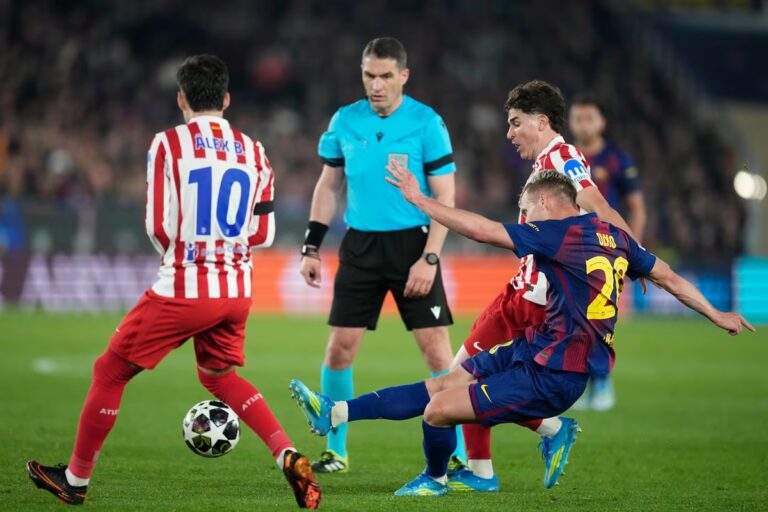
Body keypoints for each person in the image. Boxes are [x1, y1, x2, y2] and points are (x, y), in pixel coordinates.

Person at [290, 169, 754, 497]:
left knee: (437, 411)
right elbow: (669, 276)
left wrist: (419, 199)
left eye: (527, 207)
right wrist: (717, 314)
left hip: (557, 373)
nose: (525, 216)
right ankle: (336, 414)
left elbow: (483, 230)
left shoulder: (557, 233)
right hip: (540, 349)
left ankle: (434, 479)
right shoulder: (616, 237)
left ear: (550, 202)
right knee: (444, 382)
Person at [25, 55, 321, 509]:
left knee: (110, 371)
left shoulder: (168, 144)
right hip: (237, 289)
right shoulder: (255, 151)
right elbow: (264, 234)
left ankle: (75, 479)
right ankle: (287, 453)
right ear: (226, 98)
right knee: (220, 377)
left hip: (186, 284)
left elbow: (157, 225)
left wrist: (184, 259)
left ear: (181, 98)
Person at [450, 80, 643, 492]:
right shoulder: (544, 163)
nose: (509, 133)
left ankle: (482, 469)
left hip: (538, 301)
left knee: (462, 379)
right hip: (517, 291)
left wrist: (634, 257)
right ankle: (534, 440)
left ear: (540, 122)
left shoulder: (564, 156)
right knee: (460, 376)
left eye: (515, 123)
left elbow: (600, 206)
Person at [298, 37, 464, 473]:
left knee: (437, 355)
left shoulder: (426, 123)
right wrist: (312, 245)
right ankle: (336, 449)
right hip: (361, 246)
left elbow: (445, 195)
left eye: (386, 76)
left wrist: (429, 258)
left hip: (414, 244)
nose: (376, 84)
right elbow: (328, 186)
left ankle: (461, 453)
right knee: (339, 350)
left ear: (403, 76)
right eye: (369, 75)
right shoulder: (344, 120)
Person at [569, 93, 648, 411]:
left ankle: (602, 383)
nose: (583, 124)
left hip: (607, 249)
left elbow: (636, 208)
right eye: (578, 118)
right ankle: (579, 384)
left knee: (599, 317)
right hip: (571, 247)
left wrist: (633, 251)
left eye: (589, 118)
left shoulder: (617, 160)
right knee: (572, 317)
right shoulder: (566, 156)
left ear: (601, 122)